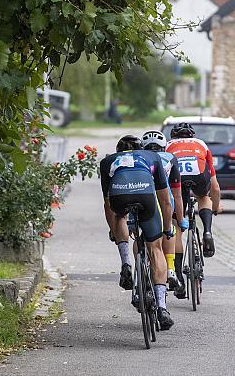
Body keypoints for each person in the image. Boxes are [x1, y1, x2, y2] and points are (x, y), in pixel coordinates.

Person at [100, 135, 175, 330]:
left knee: (119, 216)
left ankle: (126, 263)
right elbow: (166, 202)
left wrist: (114, 232)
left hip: (120, 194)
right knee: (156, 249)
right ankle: (162, 307)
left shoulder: (108, 161)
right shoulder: (152, 157)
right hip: (145, 194)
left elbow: (108, 205)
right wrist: (167, 228)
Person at [166, 123, 221, 266]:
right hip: (199, 175)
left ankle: (177, 275)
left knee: (177, 228)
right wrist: (215, 207)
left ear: (173, 136)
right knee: (203, 197)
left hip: (178, 177)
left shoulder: (168, 146)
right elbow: (215, 187)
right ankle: (207, 232)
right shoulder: (201, 144)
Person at [141, 130, 184, 292]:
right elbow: (177, 194)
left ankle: (140, 266)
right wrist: (180, 219)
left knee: (139, 232)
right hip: (163, 199)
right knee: (170, 229)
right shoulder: (170, 158)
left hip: (140, 195)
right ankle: (171, 269)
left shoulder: (140, 156)